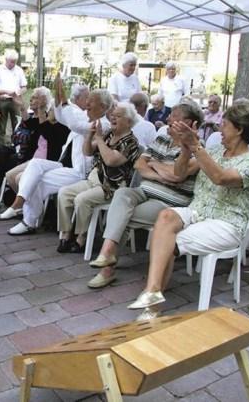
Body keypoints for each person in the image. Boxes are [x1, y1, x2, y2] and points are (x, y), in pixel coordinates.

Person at [126, 103, 249, 320]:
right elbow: (180, 173)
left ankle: (152, 307)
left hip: (225, 223)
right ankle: (152, 291)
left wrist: (196, 146)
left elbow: (220, 178)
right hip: (197, 211)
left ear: (239, 129)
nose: (219, 127)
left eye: (224, 124)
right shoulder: (216, 150)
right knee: (166, 216)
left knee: (166, 241)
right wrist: (186, 150)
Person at [87, 102, 203, 289]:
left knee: (121, 215)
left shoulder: (198, 148)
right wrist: (161, 171)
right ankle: (107, 254)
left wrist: (155, 164)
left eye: (173, 116)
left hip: (168, 202)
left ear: (187, 122)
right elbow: (139, 165)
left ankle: (106, 267)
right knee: (123, 194)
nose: (167, 119)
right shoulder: (162, 138)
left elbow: (177, 174)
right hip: (144, 190)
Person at [1, 82, 113, 235]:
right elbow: (62, 118)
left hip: (80, 172)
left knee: (37, 181)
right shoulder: (86, 118)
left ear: (102, 106)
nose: (87, 103)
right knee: (35, 165)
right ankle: (19, 203)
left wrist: (65, 101)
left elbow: (75, 125)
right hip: (64, 165)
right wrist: (59, 100)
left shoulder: (103, 125)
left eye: (91, 100)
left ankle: (28, 221)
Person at [57, 102, 140, 254]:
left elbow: (111, 161)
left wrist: (100, 140)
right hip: (94, 179)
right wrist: (89, 136)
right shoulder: (109, 135)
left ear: (128, 121)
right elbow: (87, 152)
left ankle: (81, 236)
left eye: (118, 116)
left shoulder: (131, 142)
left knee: (82, 199)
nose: (113, 118)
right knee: (64, 193)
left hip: (112, 186)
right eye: (112, 115)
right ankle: (65, 233)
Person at [0, 87, 70, 211]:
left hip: (37, 161)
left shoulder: (58, 127)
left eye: (35, 97)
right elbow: (30, 124)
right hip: (25, 155)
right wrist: (23, 106)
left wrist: (40, 110)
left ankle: (21, 205)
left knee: (3, 163)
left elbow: (45, 131)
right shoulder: (40, 121)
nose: (31, 99)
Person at [0, 49, 27, 145]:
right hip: (2, 100)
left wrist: (18, 92)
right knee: (1, 126)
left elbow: (24, 87)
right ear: (6, 59)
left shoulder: (19, 70)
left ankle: (16, 146)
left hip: (15, 101)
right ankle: (0, 147)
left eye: (15, 62)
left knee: (17, 124)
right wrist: (0, 94)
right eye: (11, 61)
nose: (13, 64)